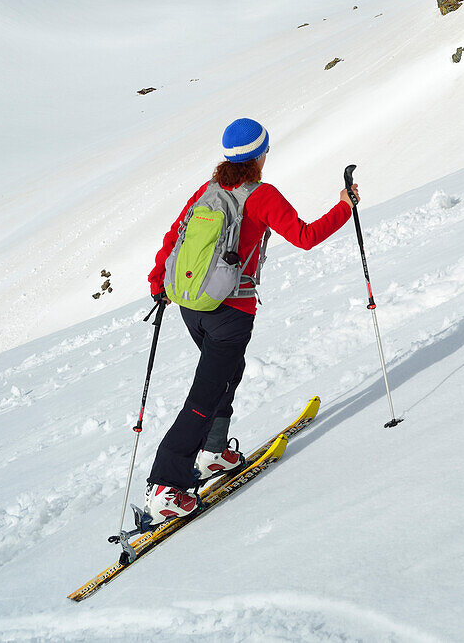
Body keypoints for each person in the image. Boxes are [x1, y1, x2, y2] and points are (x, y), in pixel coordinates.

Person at [144, 117, 357, 522]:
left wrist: (159, 283)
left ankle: (213, 453)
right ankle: (165, 486)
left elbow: (175, 236)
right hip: (231, 311)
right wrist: (344, 208)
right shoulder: (260, 195)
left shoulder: (208, 191)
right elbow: (306, 236)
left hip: (193, 308)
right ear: (259, 155)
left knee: (227, 374)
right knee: (204, 395)